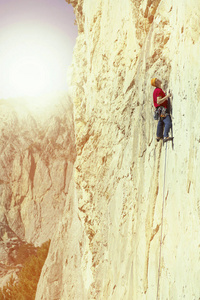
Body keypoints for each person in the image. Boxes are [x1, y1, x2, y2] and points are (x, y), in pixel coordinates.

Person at [151, 78, 172, 142]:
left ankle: (158, 135)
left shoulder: (156, 90)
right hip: (162, 109)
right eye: (157, 80)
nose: (159, 79)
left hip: (159, 110)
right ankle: (166, 136)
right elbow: (158, 101)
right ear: (156, 83)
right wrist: (167, 96)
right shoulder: (158, 90)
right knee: (167, 122)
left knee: (161, 121)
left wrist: (164, 94)